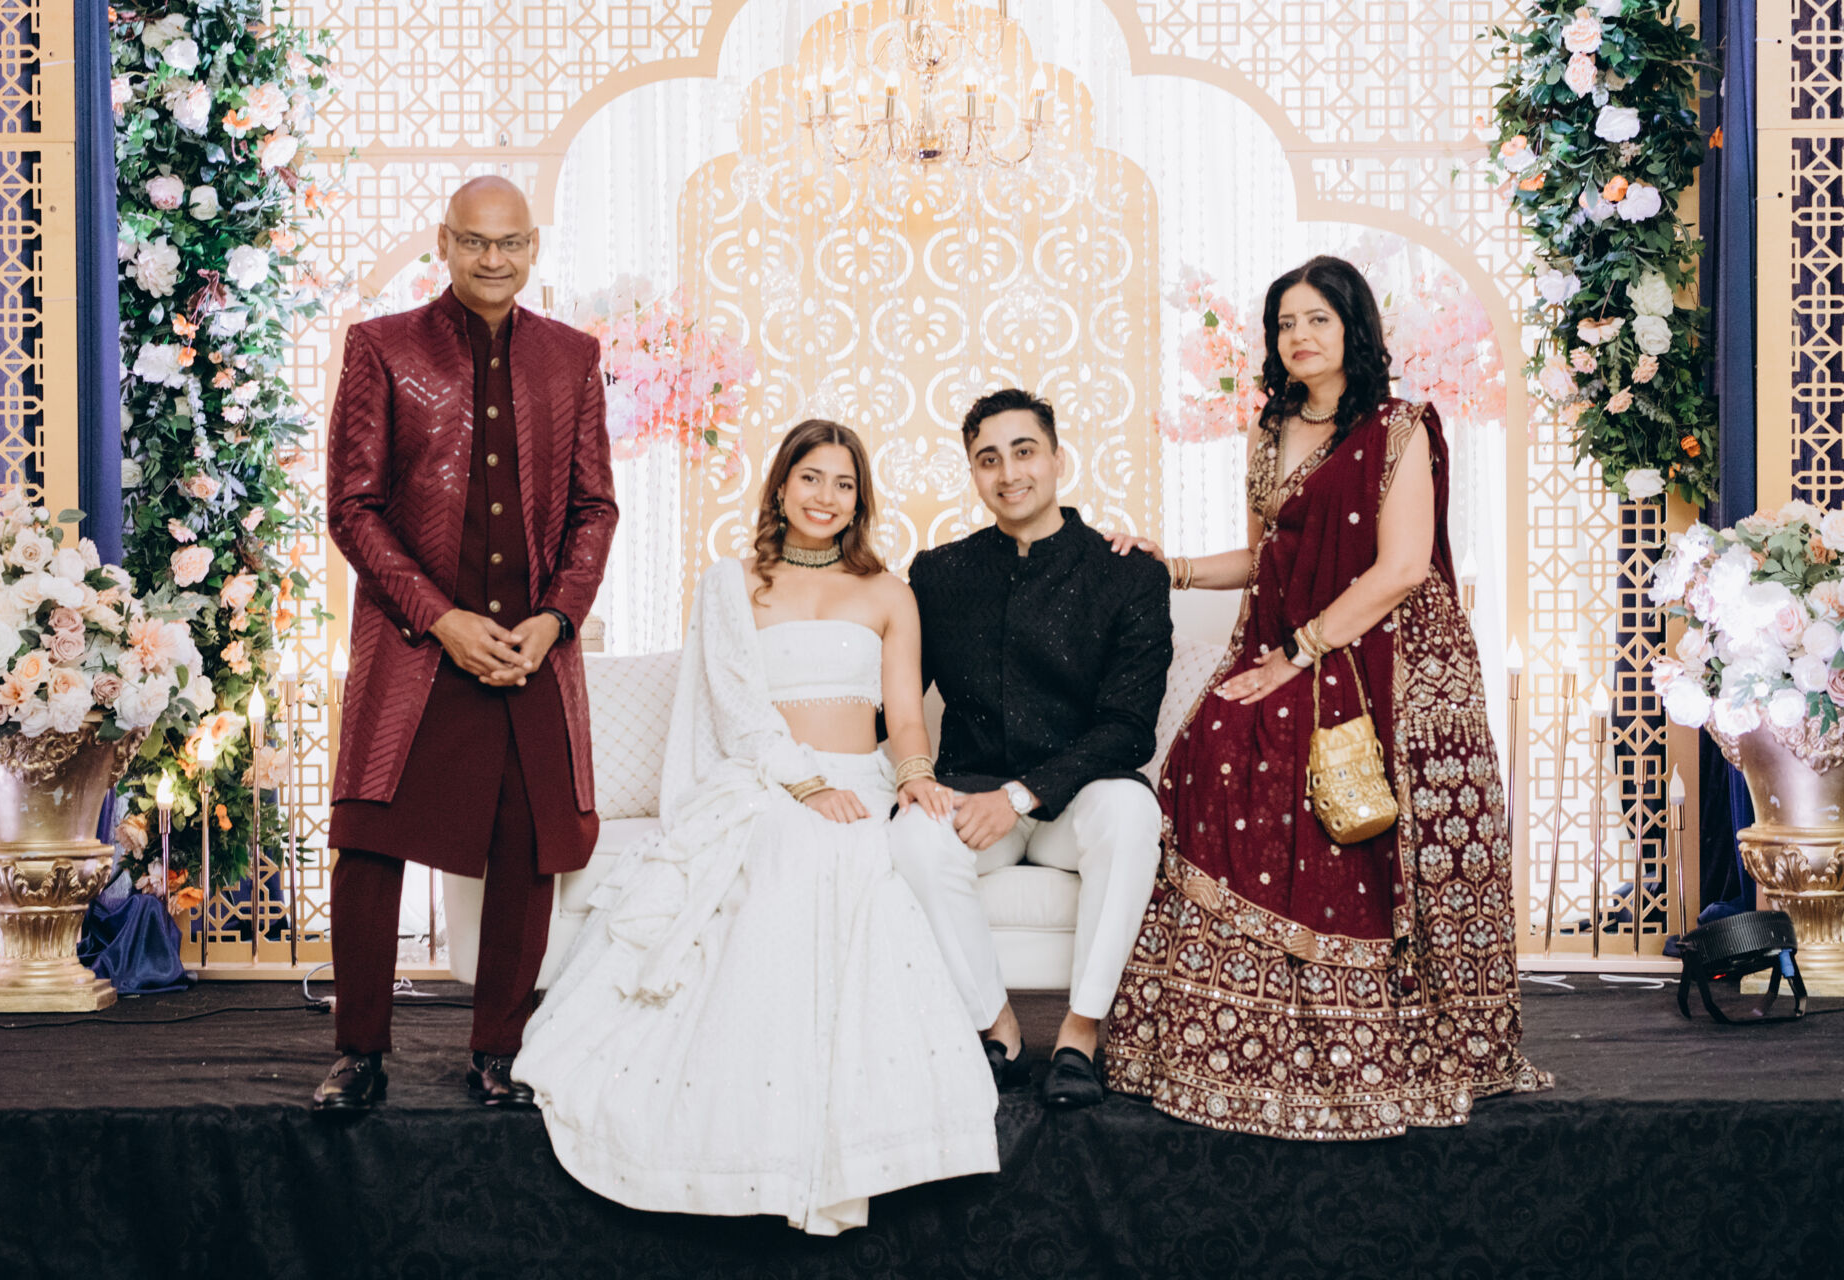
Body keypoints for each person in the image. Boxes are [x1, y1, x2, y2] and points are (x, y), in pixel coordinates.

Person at [513, 420, 999, 1236]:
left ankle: (871, 1136)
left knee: (865, 860)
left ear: (859, 501)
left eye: (843, 484)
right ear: (780, 485)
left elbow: (906, 717)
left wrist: (916, 776)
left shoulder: (889, 593)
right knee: (789, 852)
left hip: (860, 780)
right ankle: (745, 1137)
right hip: (770, 777)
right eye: (811, 477)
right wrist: (804, 783)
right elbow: (737, 710)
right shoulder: (732, 584)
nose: (825, 497)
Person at [1103, 255, 1549, 1139]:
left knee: (1290, 757)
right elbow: (1264, 557)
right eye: (1285, 324)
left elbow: (1403, 567)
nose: (1299, 337)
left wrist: (1298, 656)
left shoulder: (1400, 428)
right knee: (1213, 740)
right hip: (1289, 643)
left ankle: (1366, 1024)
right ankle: (1232, 1027)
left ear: (1354, 329)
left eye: (1317, 319)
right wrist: (1171, 567)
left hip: (1384, 658)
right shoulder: (1270, 430)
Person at [314, 176, 617, 1115]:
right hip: (418, 645)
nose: (494, 259)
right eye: (475, 241)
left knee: (528, 845)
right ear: (443, 243)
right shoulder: (382, 347)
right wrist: (439, 618)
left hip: (529, 648)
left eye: (510, 242)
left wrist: (554, 620)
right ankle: (360, 1053)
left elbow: (595, 509)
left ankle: (499, 1052)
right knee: (370, 841)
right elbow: (352, 508)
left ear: (534, 248)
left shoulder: (572, 357)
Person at [887, 388, 1173, 1110]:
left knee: (1134, 814)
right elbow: (898, 699)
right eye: (988, 459)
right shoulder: (937, 575)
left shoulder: (1127, 572)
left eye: (1024, 452)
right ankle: (998, 1029)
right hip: (969, 794)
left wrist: (1019, 797)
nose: (1008, 473)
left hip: (1076, 801)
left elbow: (1129, 727)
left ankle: (1080, 1033)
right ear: (973, 474)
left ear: (1057, 459)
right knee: (913, 836)